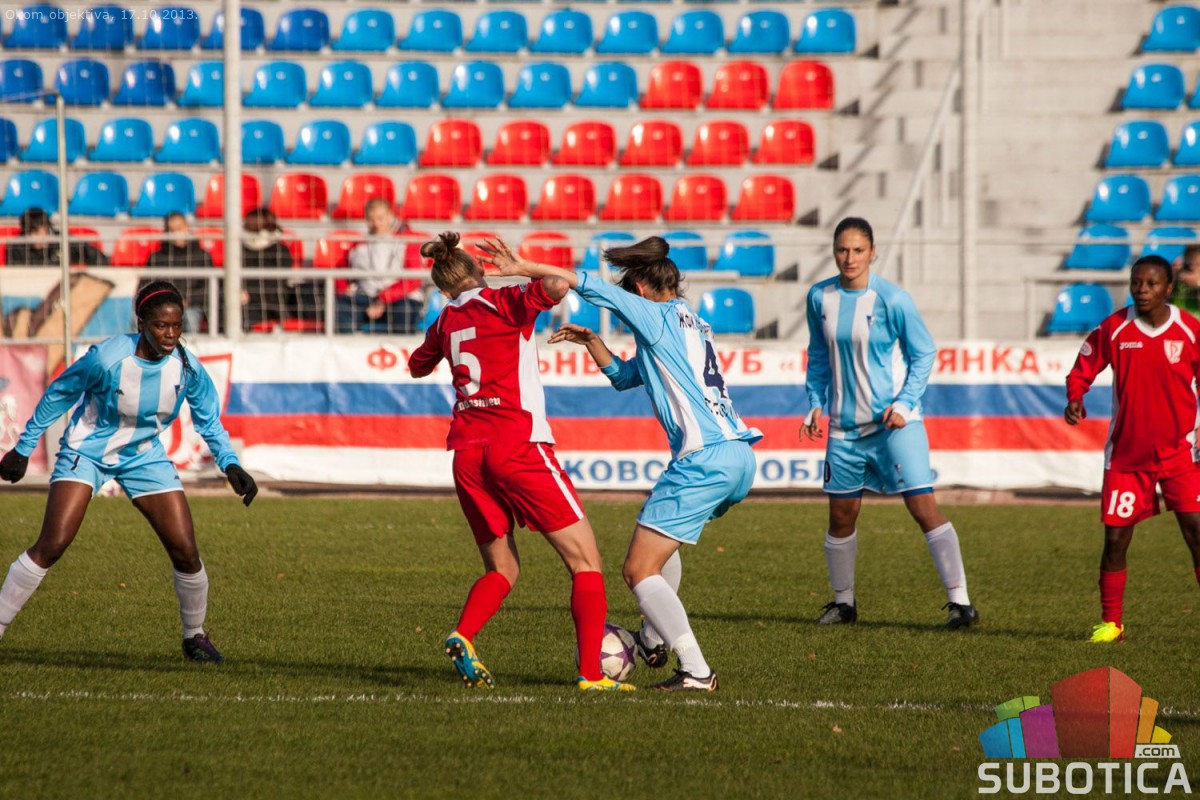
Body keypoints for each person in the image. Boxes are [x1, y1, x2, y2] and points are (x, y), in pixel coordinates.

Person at [479, 235, 761, 693]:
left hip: (704, 459)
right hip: (738, 455)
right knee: (660, 546)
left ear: (642, 290)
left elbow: (585, 284)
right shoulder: (693, 323)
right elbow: (628, 377)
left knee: (637, 570)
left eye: (631, 293)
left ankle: (696, 670)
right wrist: (594, 342)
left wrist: (523, 266)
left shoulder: (653, 314)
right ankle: (652, 640)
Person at [407, 231, 632, 692]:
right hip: (517, 444)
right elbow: (558, 286)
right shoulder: (503, 301)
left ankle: (463, 634)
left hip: (468, 455)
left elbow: (416, 365)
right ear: (480, 270)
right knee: (586, 561)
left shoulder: (444, 320)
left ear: (444, 289)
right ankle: (592, 675)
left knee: (503, 569)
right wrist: (521, 269)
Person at [0, 281, 258, 661]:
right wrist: (23, 448)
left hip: (143, 456)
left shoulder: (187, 367)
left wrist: (230, 464)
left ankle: (194, 637)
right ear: (141, 324)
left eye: (176, 326)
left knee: (186, 551)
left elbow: (208, 419)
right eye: (160, 326)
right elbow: (60, 393)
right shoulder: (107, 358)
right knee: (53, 544)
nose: (170, 334)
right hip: (87, 453)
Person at [800, 217, 978, 629]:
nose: (849, 258)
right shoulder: (819, 297)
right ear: (834, 251)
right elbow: (818, 355)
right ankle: (844, 604)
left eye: (858, 250)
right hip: (845, 431)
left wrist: (905, 403)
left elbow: (924, 352)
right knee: (841, 518)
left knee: (923, 508)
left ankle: (961, 603)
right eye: (842, 250)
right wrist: (814, 404)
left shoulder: (893, 300)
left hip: (895, 426)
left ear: (873, 252)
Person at [1065, 254, 1200, 644]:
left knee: (1196, 533)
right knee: (1115, 540)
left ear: (1168, 288)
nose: (1142, 290)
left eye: (1151, 283)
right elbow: (1082, 368)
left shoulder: (1190, 330)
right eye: (1136, 283)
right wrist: (1075, 397)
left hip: (1180, 454)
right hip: (1127, 457)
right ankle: (1112, 623)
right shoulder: (1114, 328)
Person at [337, 198, 425, 334]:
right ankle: (344, 345)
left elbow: (414, 280)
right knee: (339, 305)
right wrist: (343, 288)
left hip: (400, 298)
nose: (376, 224)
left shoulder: (407, 240)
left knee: (405, 310)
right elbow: (341, 270)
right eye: (371, 220)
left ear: (390, 215)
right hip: (366, 297)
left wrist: (383, 299)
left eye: (380, 218)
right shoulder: (359, 245)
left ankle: (400, 347)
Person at [143, 212, 212, 333]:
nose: (176, 234)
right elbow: (147, 285)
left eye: (179, 228)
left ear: (187, 228)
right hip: (162, 305)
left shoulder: (202, 256)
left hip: (192, 305)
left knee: (190, 317)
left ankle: (190, 346)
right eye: (172, 230)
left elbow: (207, 287)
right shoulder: (156, 257)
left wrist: (188, 300)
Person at [240, 207, 292, 331]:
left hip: (269, 305)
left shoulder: (280, 251)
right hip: (244, 302)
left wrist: (249, 294)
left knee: (243, 317)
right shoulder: (241, 249)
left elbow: (276, 284)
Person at [4, 207, 108, 267]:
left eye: (45, 232)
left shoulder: (63, 240)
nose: (41, 238)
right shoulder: (15, 247)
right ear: (26, 233)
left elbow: (97, 257)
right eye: (35, 233)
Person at [1170, 244, 1200, 314]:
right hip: (1177, 316)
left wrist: (1198, 283)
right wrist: (1174, 272)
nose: (1193, 262)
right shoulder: (1179, 274)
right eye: (1190, 257)